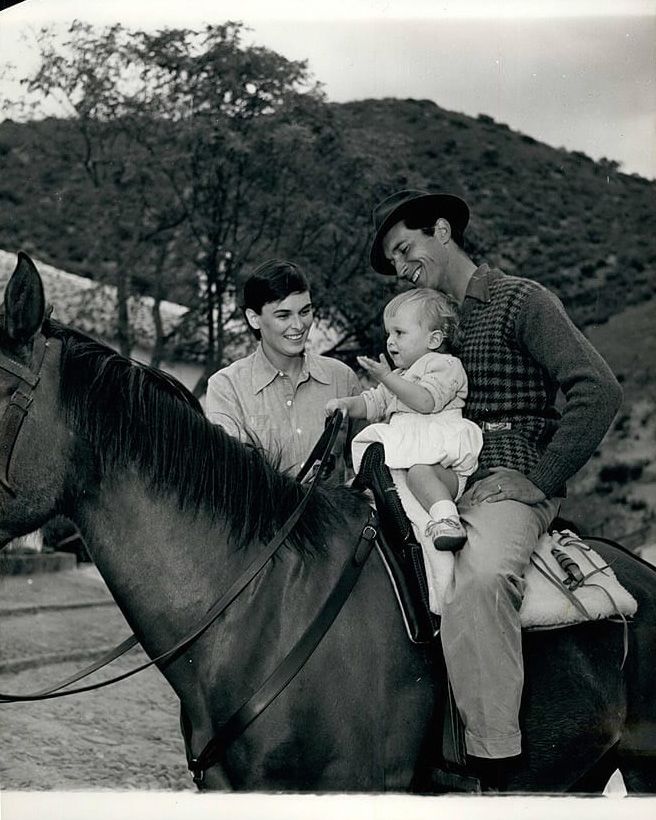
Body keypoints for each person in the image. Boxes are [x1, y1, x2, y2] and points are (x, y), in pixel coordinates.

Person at [368, 189, 623, 788]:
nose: (402, 267)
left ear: (442, 229)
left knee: (479, 579)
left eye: (406, 248)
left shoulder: (519, 300)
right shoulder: (420, 320)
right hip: (432, 471)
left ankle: (493, 759)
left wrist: (539, 479)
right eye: (393, 261)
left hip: (504, 474)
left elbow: (598, 389)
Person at [326, 288, 482, 551]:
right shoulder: (401, 375)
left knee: (421, 473)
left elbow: (425, 401)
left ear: (433, 340)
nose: (390, 341)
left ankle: (447, 519)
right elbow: (373, 403)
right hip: (408, 458)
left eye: (399, 333)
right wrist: (345, 405)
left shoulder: (444, 365)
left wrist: (388, 378)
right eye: (389, 333)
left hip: (439, 464)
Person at [206, 259, 362, 483]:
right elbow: (229, 478)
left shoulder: (342, 378)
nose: (298, 325)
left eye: (305, 311)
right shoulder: (226, 388)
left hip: (335, 518)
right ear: (254, 318)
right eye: (283, 315)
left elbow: (367, 464)